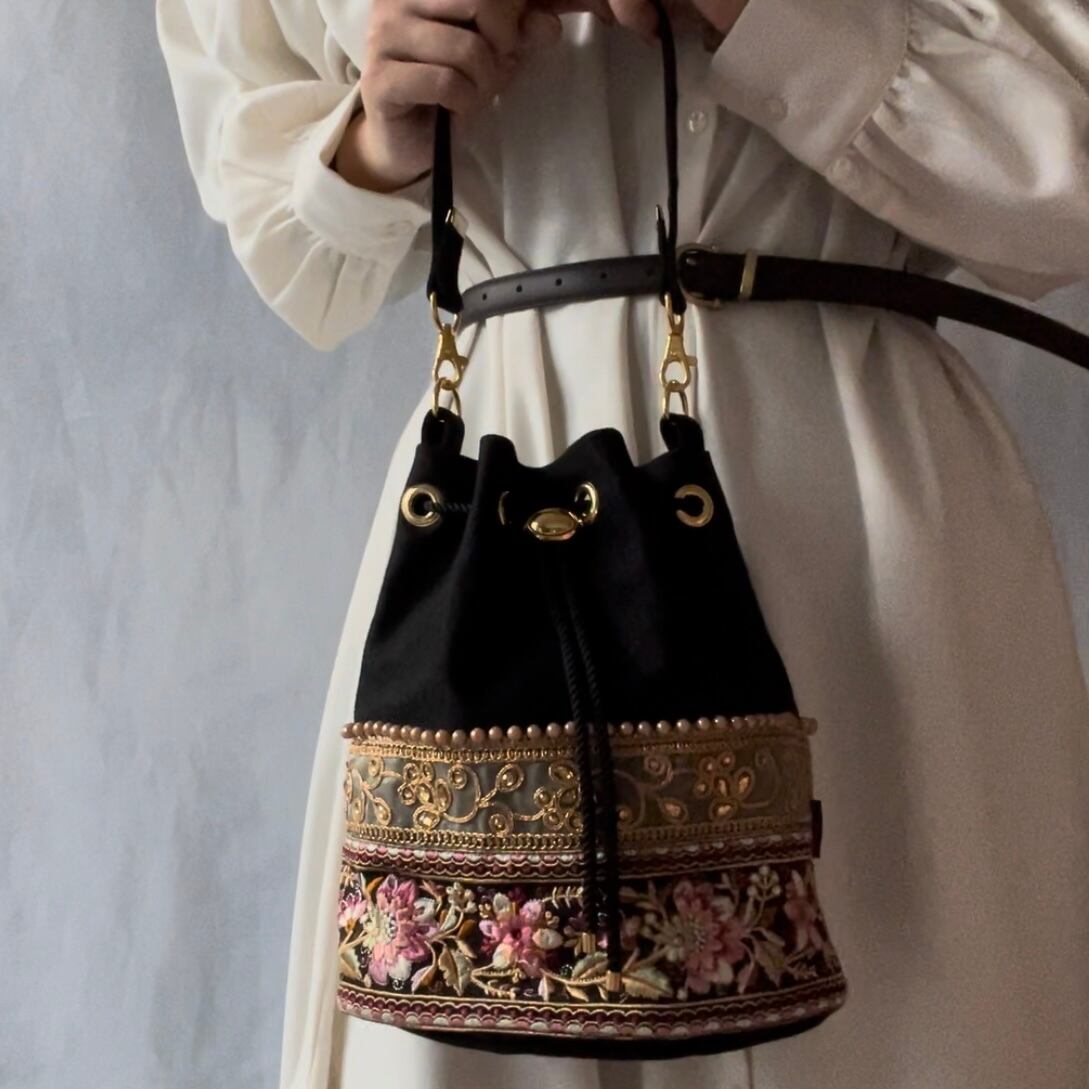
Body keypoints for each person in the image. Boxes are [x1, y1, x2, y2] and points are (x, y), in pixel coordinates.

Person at [154, 1, 1089, 1086]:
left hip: (863, 526)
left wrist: (775, 20)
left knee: (920, 1009)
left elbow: (1069, 175)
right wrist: (376, 137)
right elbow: (291, 251)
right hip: (495, 505)